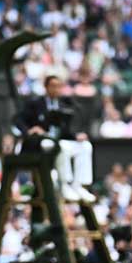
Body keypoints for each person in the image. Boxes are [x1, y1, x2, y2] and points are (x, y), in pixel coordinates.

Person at [13, 74, 95, 203]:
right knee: (60, 147)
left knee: (85, 146)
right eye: (53, 86)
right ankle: (65, 184)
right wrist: (30, 130)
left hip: (58, 141)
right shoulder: (35, 103)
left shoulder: (63, 104)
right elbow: (18, 120)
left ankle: (79, 185)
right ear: (46, 87)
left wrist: (76, 136)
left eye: (59, 86)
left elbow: (64, 131)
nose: (56, 89)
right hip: (40, 143)